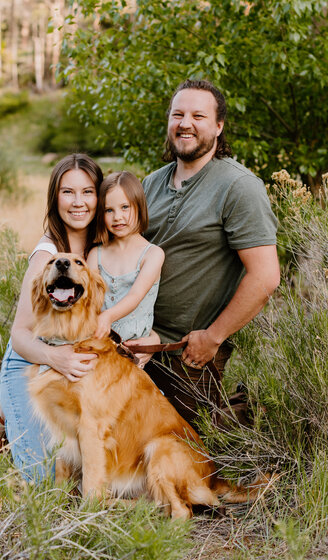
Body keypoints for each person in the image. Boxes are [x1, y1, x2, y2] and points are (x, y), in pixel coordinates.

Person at [140, 79, 280, 423]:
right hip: (137, 344)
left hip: (187, 353)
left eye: (198, 116)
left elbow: (265, 276)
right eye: (178, 114)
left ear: (218, 126)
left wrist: (212, 338)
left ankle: (244, 416)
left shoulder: (239, 187)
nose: (185, 123)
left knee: (187, 455)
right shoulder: (150, 183)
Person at [0, 153, 103, 481]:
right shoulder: (47, 255)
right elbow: (19, 334)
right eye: (68, 192)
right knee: (46, 481)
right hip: (31, 361)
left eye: (88, 192)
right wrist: (55, 358)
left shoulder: (103, 247)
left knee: (91, 466)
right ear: (55, 198)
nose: (78, 202)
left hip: (76, 360)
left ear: (99, 196)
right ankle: (5, 409)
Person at [86, 171, 164, 355]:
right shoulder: (96, 254)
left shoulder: (152, 254)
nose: (117, 217)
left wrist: (107, 316)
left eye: (125, 207)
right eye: (109, 210)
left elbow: (135, 296)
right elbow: (89, 300)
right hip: (99, 344)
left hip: (133, 351)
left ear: (139, 206)